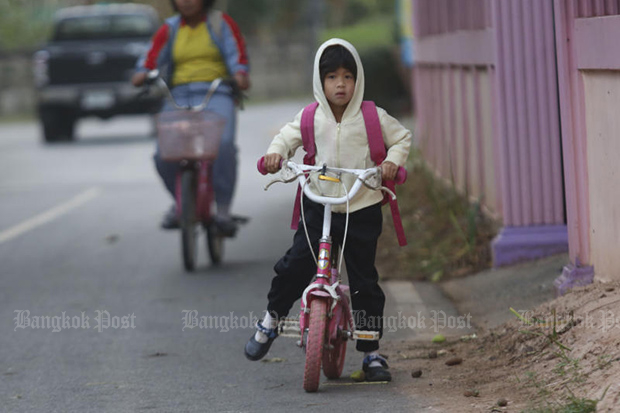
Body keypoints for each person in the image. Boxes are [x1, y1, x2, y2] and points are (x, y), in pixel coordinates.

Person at [244, 38, 412, 382]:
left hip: (360, 206)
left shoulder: (371, 117)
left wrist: (392, 162)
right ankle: (272, 319)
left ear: (358, 80)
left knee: (364, 278)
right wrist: (276, 156)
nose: (340, 84)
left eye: (348, 76)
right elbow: (285, 139)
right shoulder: (309, 117)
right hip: (318, 204)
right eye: (332, 76)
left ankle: (371, 352)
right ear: (320, 82)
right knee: (295, 265)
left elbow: (402, 138)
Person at [132, 0, 250, 232]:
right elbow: (149, 59)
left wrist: (240, 75)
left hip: (217, 91)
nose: (186, 1)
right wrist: (142, 73)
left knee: (223, 145)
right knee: (162, 153)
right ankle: (182, 204)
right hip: (178, 94)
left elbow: (239, 59)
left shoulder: (221, 23)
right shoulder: (170, 28)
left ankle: (223, 211)